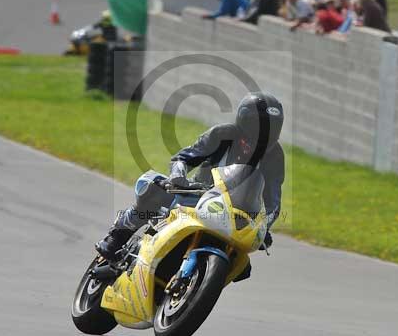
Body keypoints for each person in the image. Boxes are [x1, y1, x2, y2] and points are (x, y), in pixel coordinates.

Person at [95, 92, 284, 262]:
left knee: (242, 265)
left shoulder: (275, 156)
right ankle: (117, 236)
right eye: (258, 126)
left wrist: (264, 226)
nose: (265, 134)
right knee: (155, 186)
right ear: (243, 122)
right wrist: (178, 177)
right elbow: (183, 158)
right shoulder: (222, 134)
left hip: (235, 215)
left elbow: (274, 200)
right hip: (197, 196)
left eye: (272, 128)